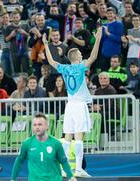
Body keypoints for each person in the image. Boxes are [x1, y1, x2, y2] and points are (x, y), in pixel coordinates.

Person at [43, 27, 102, 177]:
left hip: (69, 105)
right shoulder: (80, 67)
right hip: (80, 104)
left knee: (67, 137)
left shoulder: (65, 68)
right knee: (79, 137)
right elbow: (94, 55)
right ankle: (78, 169)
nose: (83, 56)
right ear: (76, 57)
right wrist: (99, 38)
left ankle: (64, 169)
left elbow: (50, 61)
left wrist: (45, 44)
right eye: (81, 54)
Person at [11, 113, 76, 181]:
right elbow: (19, 160)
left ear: (47, 126)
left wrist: (70, 177)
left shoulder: (56, 143)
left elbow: (64, 161)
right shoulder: (27, 143)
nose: (37, 127)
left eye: (40, 124)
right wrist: (13, 179)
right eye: (35, 125)